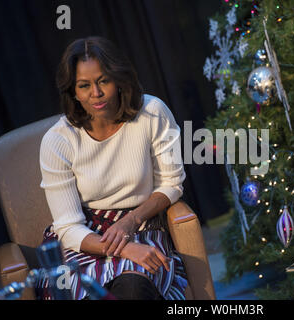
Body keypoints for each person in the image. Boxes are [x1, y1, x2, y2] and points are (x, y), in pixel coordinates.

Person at [36, 36, 187, 300]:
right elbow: (69, 227)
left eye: (103, 81)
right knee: (89, 291)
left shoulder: (153, 111)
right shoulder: (57, 140)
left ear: (118, 79)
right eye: (84, 86)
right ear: (73, 91)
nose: (96, 93)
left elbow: (172, 183)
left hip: (143, 225)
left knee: (133, 287)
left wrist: (132, 221)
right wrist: (124, 249)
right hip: (86, 236)